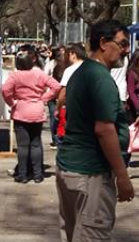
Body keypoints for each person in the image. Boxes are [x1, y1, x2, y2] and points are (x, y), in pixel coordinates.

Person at [57, 21, 134, 242]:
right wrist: (122, 176)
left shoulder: (80, 73)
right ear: (103, 43)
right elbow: (104, 130)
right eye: (122, 44)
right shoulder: (100, 78)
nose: (126, 50)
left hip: (71, 170)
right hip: (90, 175)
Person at [2, 50, 62, 183]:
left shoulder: (15, 75)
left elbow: (5, 90)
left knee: (23, 146)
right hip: (37, 109)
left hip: (21, 109)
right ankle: (38, 175)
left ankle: (22, 175)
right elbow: (56, 86)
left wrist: (11, 102)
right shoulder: (39, 73)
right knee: (36, 144)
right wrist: (44, 98)